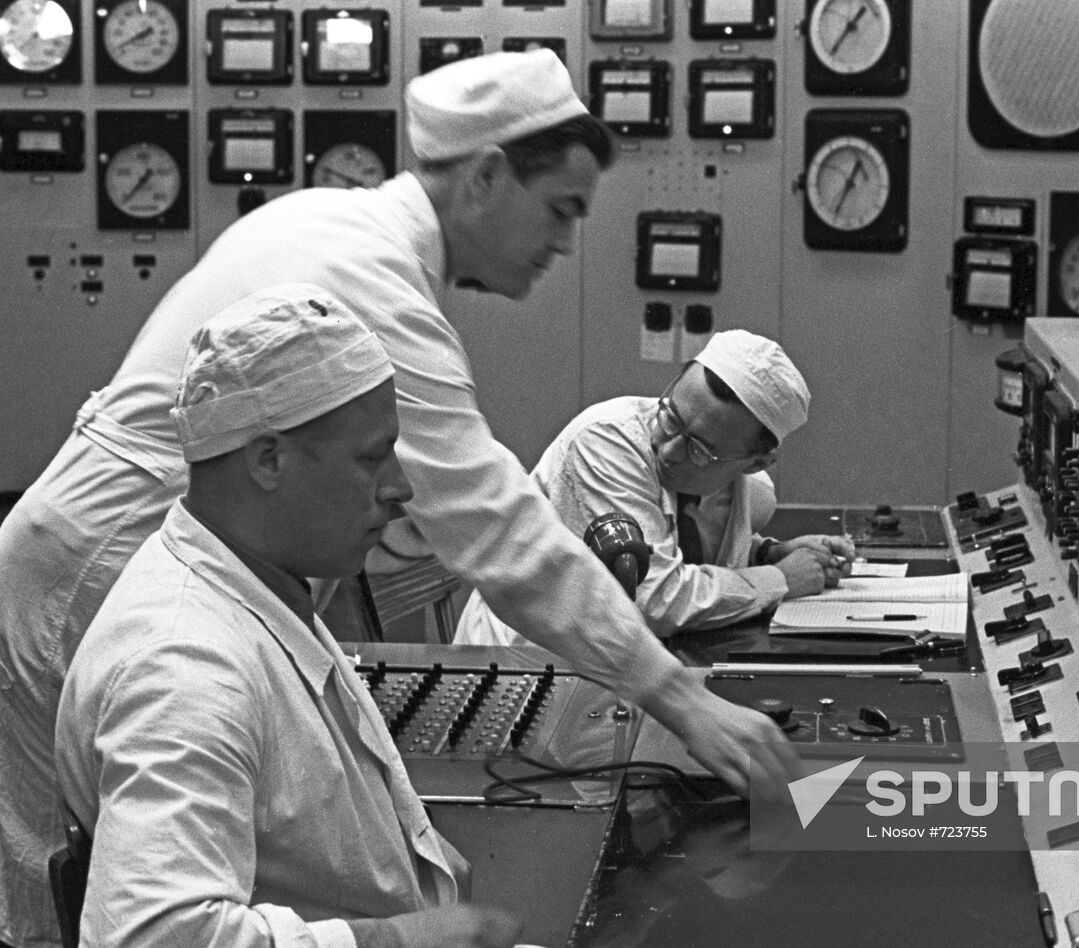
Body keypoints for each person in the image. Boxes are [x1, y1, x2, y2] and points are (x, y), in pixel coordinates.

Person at [0, 50, 795, 947]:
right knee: (54, 905)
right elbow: (501, 536)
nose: (567, 243)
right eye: (562, 209)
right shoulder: (372, 285)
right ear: (489, 174)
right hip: (100, 578)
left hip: (166, 568)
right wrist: (681, 701)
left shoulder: (335, 224)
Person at [55, 287, 522, 948]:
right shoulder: (183, 667)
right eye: (370, 457)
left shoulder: (256, 583)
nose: (400, 485)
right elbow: (151, 937)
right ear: (268, 459)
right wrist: (398, 938)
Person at [456, 330, 855, 643]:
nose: (668, 449)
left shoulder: (748, 487)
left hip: (612, 669)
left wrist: (767, 553)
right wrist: (780, 580)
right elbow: (657, 599)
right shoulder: (605, 444)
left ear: (753, 463)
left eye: (700, 450)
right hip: (524, 668)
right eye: (671, 417)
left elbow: (680, 542)